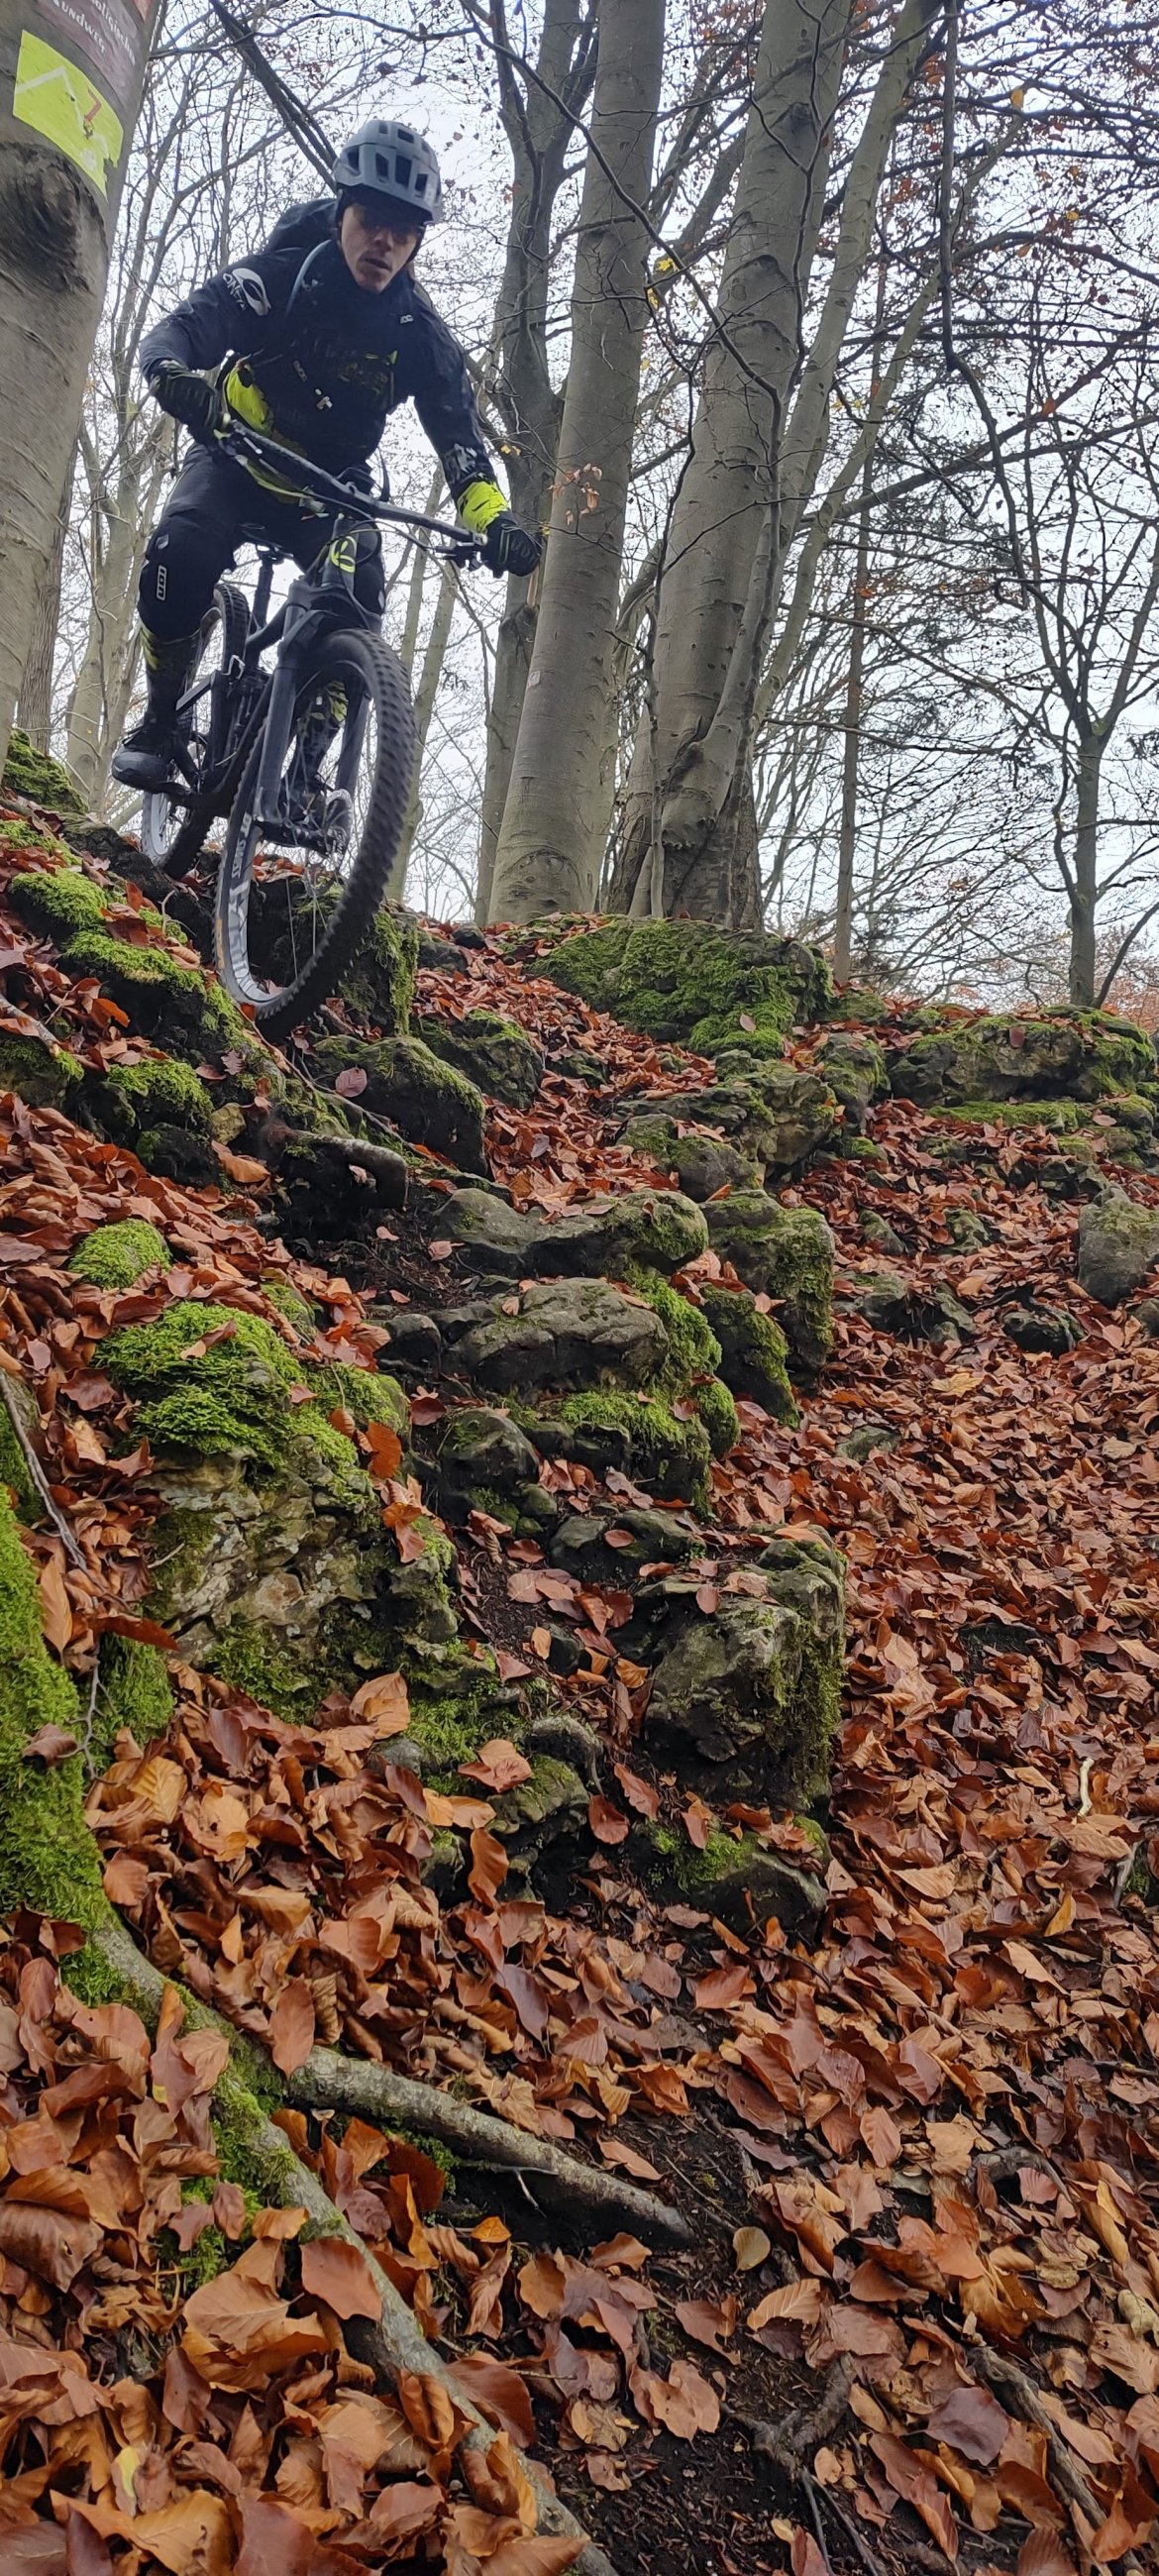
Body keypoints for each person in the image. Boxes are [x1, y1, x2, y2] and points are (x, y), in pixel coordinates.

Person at [112, 118, 541, 791]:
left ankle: (306, 773)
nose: (384, 242)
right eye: (371, 220)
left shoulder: (420, 337)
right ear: (343, 212)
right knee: (179, 555)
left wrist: (494, 519)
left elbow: (460, 443)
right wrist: (172, 372)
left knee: (361, 591)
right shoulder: (283, 273)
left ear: (417, 241)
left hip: (330, 487)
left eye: (403, 231)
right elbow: (188, 326)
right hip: (235, 453)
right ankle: (161, 720)